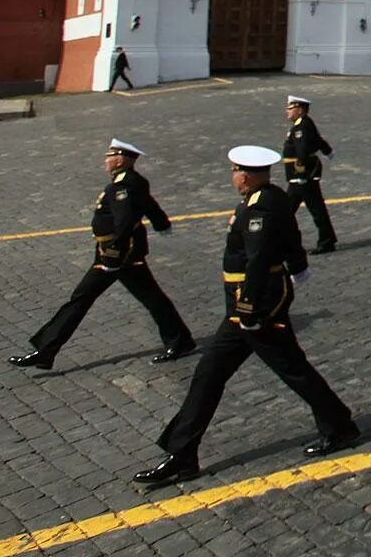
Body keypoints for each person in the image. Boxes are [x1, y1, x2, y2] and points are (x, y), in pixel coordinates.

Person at [133, 145, 358, 488]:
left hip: (255, 304)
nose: (233, 178)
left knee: (291, 368)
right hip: (244, 306)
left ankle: (339, 425)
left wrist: (250, 307)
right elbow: (292, 238)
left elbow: (258, 257)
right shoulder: (270, 199)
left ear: (247, 174)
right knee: (210, 373)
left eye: (236, 172)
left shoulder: (261, 209)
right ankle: (182, 455)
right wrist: (298, 266)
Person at [9, 139, 195, 370]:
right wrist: (160, 222)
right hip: (117, 255)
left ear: (120, 159)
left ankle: (45, 351)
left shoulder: (121, 187)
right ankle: (180, 340)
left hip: (118, 257)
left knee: (83, 299)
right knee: (148, 298)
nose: (105, 162)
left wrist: (113, 256)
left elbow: (124, 222)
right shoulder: (134, 181)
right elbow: (148, 204)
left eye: (109, 157)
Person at [283, 95, 338, 253]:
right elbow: (318, 140)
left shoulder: (301, 127)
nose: (287, 111)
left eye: (290, 109)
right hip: (301, 176)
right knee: (314, 209)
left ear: (299, 110)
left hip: (301, 177)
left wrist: (300, 171)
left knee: (294, 211)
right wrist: (328, 151)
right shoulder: (304, 123)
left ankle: (325, 241)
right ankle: (327, 240)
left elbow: (303, 150)